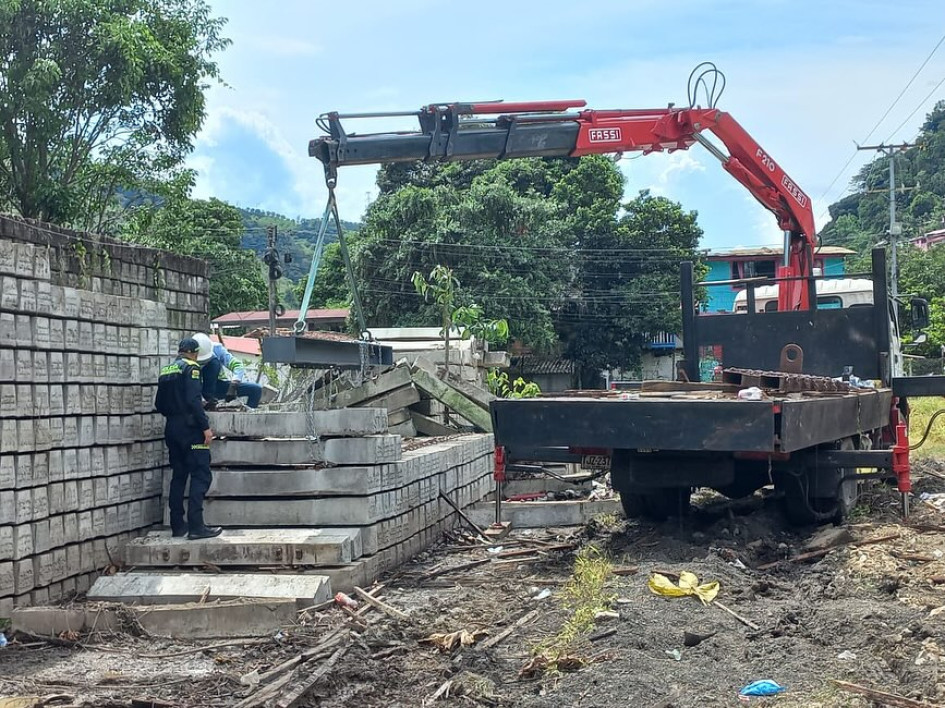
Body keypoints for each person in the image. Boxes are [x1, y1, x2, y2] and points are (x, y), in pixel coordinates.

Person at [154, 338, 223, 540]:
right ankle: (196, 527)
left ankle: (178, 525)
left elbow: (159, 404)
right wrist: (205, 427)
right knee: (201, 474)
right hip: (190, 428)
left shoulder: (166, 369)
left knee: (179, 475)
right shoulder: (192, 368)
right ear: (194, 353)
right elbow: (194, 400)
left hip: (172, 428)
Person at [192, 332, 263, 409]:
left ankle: (249, 415)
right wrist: (201, 399)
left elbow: (237, 365)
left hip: (219, 385)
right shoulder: (185, 355)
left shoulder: (217, 349)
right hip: (196, 387)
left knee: (255, 389)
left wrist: (233, 386)